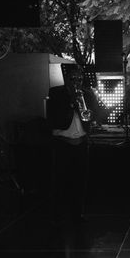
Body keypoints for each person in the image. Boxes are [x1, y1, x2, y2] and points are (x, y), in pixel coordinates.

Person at [46, 65, 92, 239]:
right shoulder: (57, 93)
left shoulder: (86, 94)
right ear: (67, 79)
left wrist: (89, 110)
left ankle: (77, 214)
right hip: (63, 143)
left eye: (79, 79)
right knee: (60, 181)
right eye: (73, 79)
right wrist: (71, 103)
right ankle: (57, 216)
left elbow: (96, 115)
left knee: (80, 181)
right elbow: (52, 120)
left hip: (80, 142)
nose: (77, 82)